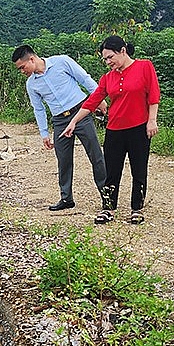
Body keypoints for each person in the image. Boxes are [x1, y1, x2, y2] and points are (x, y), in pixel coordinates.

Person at [62, 35, 160, 225]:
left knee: (139, 169)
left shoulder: (144, 66)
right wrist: (73, 122)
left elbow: (153, 95)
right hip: (114, 129)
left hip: (139, 128)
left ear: (122, 51)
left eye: (110, 57)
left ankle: (137, 208)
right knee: (111, 171)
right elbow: (92, 101)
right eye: (105, 59)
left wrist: (152, 120)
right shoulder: (108, 77)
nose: (107, 62)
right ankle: (108, 208)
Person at [11, 45, 107, 211]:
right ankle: (66, 198)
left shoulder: (62, 62)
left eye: (22, 67)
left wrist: (98, 99)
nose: (22, 71)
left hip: (80, 112)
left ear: (32, 59)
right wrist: (44, 133)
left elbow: (84, 78)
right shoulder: (31, 85)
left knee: (95, 155)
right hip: (59, 120)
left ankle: (107, 196)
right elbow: (38, 109)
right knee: (63, 160)